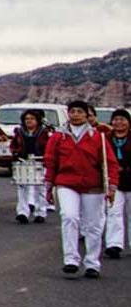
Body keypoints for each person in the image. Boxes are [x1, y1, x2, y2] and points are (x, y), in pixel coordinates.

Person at [44, 100, 121, 278]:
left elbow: (110, 164)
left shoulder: (98, 137)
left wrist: (112, 186)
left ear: (87, 115)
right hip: (66, 183)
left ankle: (92, 263)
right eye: (72, 111)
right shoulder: (58, 137)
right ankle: (71, 259)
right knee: (69, 216)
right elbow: (51, 161)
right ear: (68, 114)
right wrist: (48, 185)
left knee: (93, 224)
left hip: (93, 186)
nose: (76, 115)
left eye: (80, 111)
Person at [10, 109, 51, 223]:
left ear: (37, 120)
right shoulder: (19, 131)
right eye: (27, 119)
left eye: (32, 119)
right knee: (22, 187)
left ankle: (40, 212)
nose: (29, 121)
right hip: (23, 161)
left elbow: (48, 146)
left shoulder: (44, 132)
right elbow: (13, 145)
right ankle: (23, 212)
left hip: (39, 161)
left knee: (40, 187)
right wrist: (15, 152)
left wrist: (44, 156)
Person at [107, 109, 129, 260]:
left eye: (122, 119)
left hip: (130, 178)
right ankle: (114, 244)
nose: (118, 123)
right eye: (116, 119)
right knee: (114, 212)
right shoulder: (105, 139)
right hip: (113, 181)